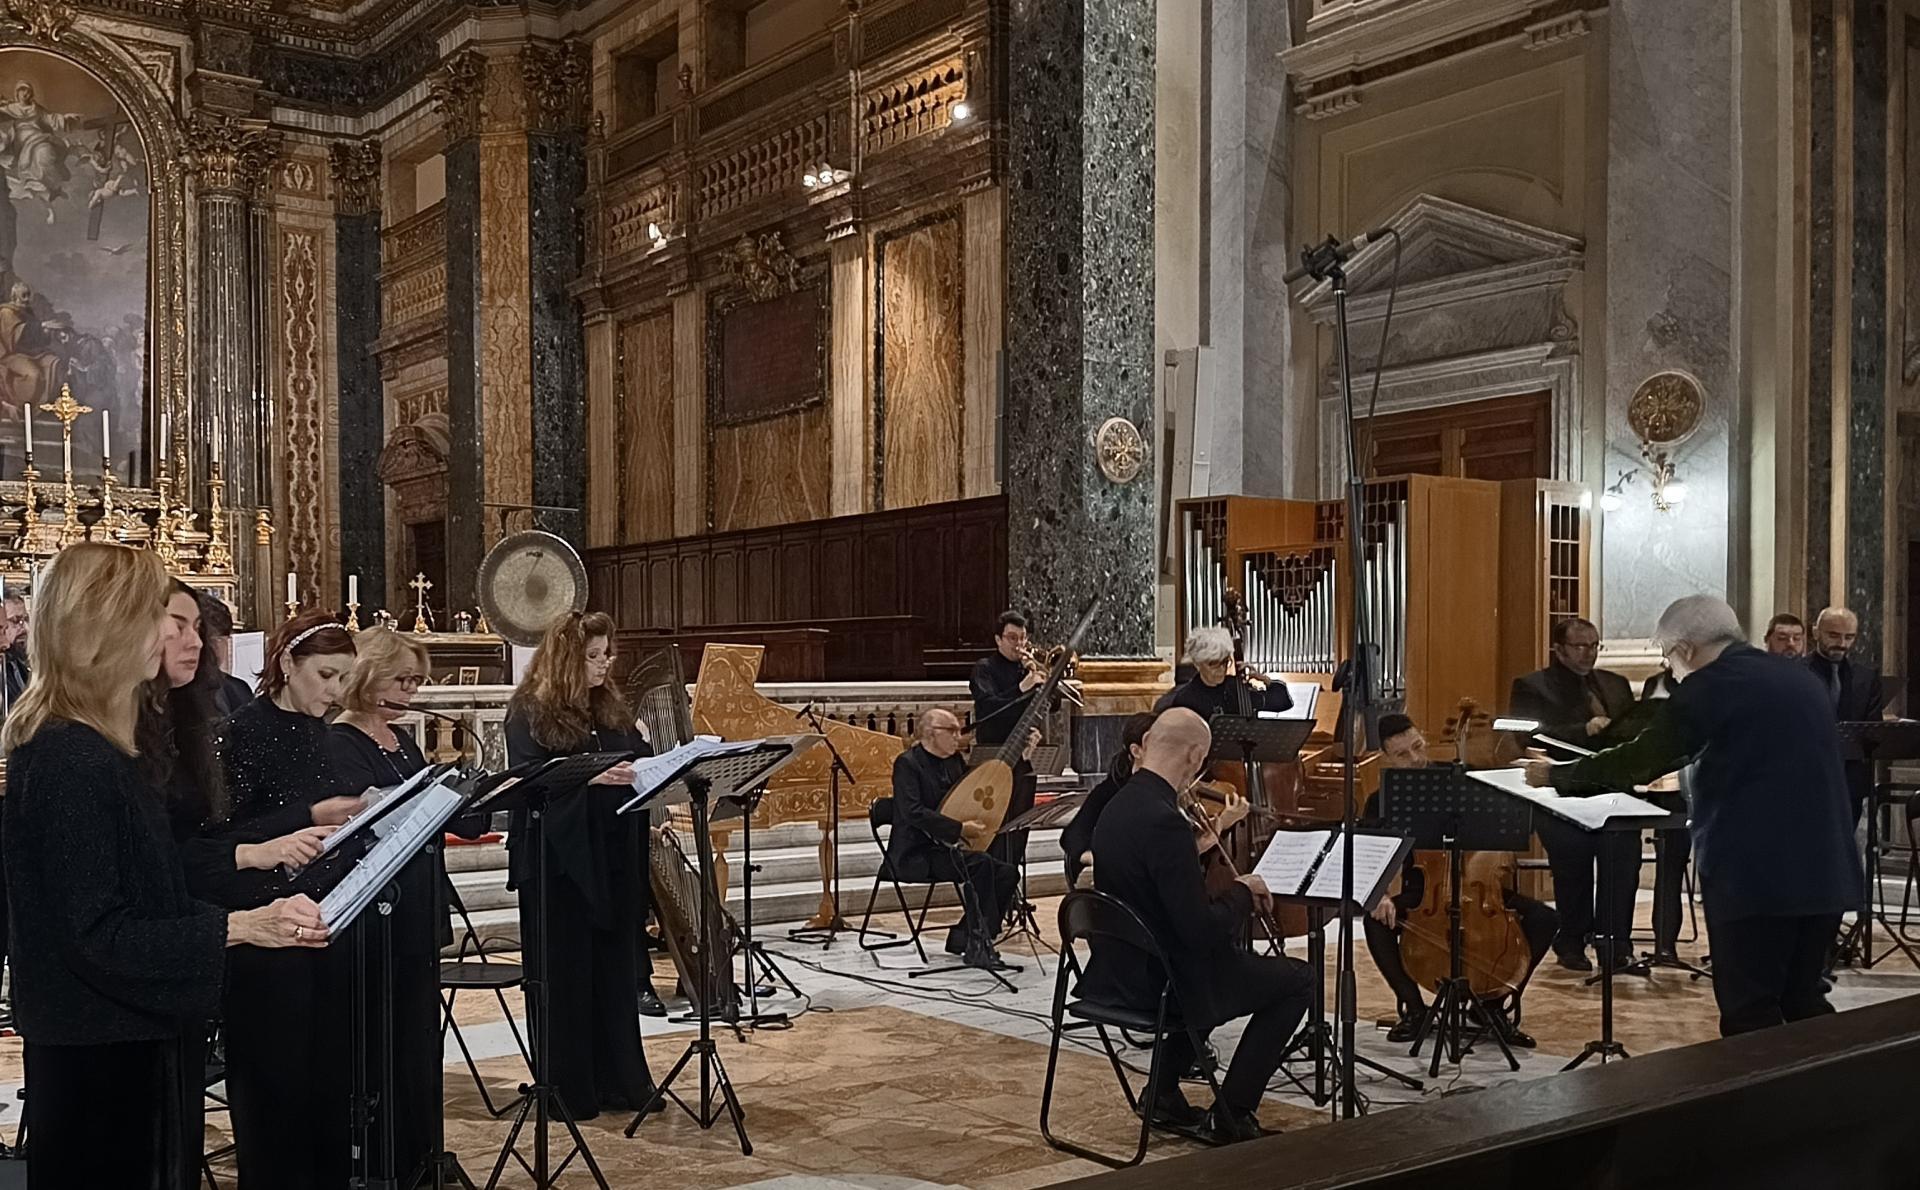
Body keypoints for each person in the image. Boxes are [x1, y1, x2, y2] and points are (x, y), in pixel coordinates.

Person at [3, 543, 326, 1188]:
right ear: (110, 626)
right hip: (101, 1054)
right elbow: (100, 933)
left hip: (125, 1038)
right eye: (160, 615)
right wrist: (241, 926)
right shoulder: (74, 758)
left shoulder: (98, 747)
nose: (179, 633)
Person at [1526, 596, 1861, 1036]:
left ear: (1684, 649)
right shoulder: (1799, 679)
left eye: (1667, 654)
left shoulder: (1711, 685)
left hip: (1756, 879)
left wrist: (1556, 775)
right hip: (1825, 873)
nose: (1671, 666)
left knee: (1750, 1013)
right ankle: (1832, 1103)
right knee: (1803, 1000)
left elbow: (1641, 760)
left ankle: (1759, 1105)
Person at [1082, 709, 1314, 1143]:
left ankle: (1164, 1094)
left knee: (1221, 969)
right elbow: (1200, 931)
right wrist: (1243, 893)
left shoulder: (1116, 806)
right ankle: (1233, 1114)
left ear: (1148, 743)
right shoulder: (1164, 819)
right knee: (1298, 979)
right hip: (1161, 985)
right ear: (1194, 755)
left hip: (1113, 974)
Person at [212, 610, 367, 1189]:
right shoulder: (239, 732)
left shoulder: (321, 733)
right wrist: (308, 816)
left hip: (326, 919)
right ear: (285, 664)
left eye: (342, 680)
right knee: (274, 1087)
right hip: (263, 933)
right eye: (325, 675)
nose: (334, 692)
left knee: (328, 1081)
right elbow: (219, 842)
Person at [503, 610, 655, 1120]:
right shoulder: (530, 710)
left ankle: (620, 1082)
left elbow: (635, 759)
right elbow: (525, 781)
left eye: (607, 654)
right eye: (592, 656)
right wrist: (589, 778)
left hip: (611, 852)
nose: (603, 664)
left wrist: (645, 753)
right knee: (564, 975)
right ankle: (570, 1088)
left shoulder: (610, 706)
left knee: (612, 971)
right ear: (567, 658)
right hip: (557, 862)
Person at [328, 626, 462, 1180]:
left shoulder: (400, 739)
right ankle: (386, 1156)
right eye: (401, 679)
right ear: (367, 675)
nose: (411, 691)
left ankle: (420, 1149)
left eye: (416, 681)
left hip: (417, 902)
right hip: (377, 914)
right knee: (384, 1040)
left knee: (419, 1038)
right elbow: (361, 826)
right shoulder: (340, 741)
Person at [1360, 714, 1556, 1046]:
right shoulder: (1381, 798)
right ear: (1386, 758)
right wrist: (1377, 894)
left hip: (1478, 888)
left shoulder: (1462, 780)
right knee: (1374, 920)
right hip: (1424, 893)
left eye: (1418, 747)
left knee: (1545, 919)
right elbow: (1368, 854)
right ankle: (1414, 1007)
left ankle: (1493, 1005)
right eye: (1403, 755)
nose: (1417, 758)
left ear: (1423, 736)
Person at [1507, 616, 1638, 971]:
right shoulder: (1533, 686)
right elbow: (1530, 736)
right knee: (1573, 865)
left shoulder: (1616, 684)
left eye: (1594, 645)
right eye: (1580, 646)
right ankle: (1571, 941)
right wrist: (1584, 730)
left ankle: (1615, 943)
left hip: (1612, 792)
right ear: (1559, 649)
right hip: (1561, 795)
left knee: (1623, 863)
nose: (1588, 653)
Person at [887, 708, 1021, 965]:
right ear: (930, 733)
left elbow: (971, 796)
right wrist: (959, 829)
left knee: (1007, 872)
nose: (958, 737)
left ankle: (970, 936)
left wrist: (1020, 759)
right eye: (952, 731)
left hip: (947, 848)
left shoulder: (955, 761)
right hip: (916, 853)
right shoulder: (908, 764)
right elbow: (913, 812)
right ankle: (977, 942)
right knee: (980, 866)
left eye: (959, 731)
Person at [969, 611, 1050, 889]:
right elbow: (990, 708)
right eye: (1012, 638)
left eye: (1023, 638)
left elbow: (1038, 710)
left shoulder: (1027, 670)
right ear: (998, 639)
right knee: (995, 829)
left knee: (1018, 829)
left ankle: (1010, 887)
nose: (1019, 644)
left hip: (1022, 761)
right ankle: (990, 887)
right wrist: (1021, 688)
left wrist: (1036, 730)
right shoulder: (984, 669)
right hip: (993, 757)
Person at [1805, 606, 1886, 825]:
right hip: (1804, 776)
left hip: (1850, 780)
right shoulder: (1795, 672)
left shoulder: (1865, 678)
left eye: (1849, 637)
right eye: (1833, 635)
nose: (1842, 644)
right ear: (1815, 632)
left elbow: (1872, 728)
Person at [1061, 711, 1157, 887]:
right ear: (1136, 751)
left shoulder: (1166, 790)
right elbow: (1072, 837)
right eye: (1157, 743)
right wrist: (1100, 862)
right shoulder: (1110, 791)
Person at [1154, 626, 1292, 719]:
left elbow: (1282, 703)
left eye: (1225, 662)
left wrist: (1263, 679)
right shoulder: (1186, 698)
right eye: (1213, 664)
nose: (1221, 669)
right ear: (1197, 663)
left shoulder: (1236, 688)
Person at [196, 590, 255, 714]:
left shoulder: (237, 689)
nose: (212, 648)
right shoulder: (161, 693)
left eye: (219, 639)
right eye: (208, 639)